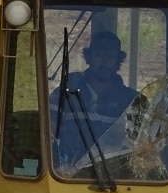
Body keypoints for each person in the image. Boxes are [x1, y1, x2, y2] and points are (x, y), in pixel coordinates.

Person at [50, 31, 140, 176]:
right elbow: (49, 135)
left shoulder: (132, 100)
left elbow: (139, 147)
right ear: (89, 57)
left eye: (110, 57)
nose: (104, 62)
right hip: (67, 178)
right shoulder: (66, 92)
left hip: (117, 180)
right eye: (98, 55)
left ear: (118, 61)